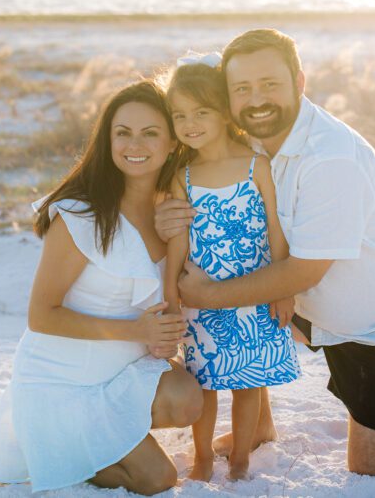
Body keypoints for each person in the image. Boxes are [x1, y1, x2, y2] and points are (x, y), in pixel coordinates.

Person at [158, 29, 375, 477]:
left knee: (374, 466)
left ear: (300, 82)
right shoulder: (249, 141)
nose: (256, 99)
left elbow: (304, 271)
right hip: (321, 316)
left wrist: (204, 296)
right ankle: (260, 424)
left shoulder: (329, 158)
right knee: (245, 311)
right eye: (242, 88)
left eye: (270, 84)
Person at [0, 80, 203, 495]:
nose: (134, 144)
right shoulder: (80, 214)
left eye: (150, 132)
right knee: (158, 479)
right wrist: (138, 332)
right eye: (122, 132)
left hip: (120, 373)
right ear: (107, 140)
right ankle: (63, 449)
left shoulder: (170, 210)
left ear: (172, 142)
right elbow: (41, 315)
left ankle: (103, 441)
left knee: (187, 399)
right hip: (61, 384)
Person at [161, 54, 300, 482]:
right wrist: (170, 294)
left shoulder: (254, 164)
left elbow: (276, 229)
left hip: (255, 291)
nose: (190, 123)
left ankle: (240, 458)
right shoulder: (182, 175)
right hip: (201, 297)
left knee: (249, 382)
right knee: (205, 383)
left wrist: (284, 287)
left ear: (223, 111)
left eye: (201, 112)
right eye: (179, 115)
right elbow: (178, 241)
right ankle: (202, 456)